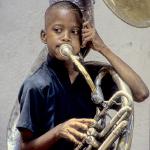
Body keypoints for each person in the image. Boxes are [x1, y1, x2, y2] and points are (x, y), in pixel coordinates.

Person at [16, 1, 149, 150]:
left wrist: (103, 48)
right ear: (44, 36)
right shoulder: (35, 85)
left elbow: (141, 93)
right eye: (58, 30)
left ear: (82, 38)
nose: (66, 37)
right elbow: (24, 147)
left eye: (74, 31)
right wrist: (58, 132)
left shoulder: (93, 77)